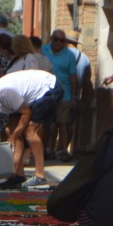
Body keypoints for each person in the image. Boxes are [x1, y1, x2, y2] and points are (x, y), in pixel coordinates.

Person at [0, 69, 63, 188]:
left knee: (30, 131)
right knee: (10, 129)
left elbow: (26, 113)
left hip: (48, 88)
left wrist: (14, 137)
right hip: (28, 98)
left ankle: (40, 175)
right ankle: (18, 175)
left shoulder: (3, 92)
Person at [42, 29, 79, 161]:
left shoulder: (69, 56)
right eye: (56, 39)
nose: (59, 42)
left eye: (62, 40)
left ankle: (63, 150)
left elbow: (73, 77)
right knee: (49, 125)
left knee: (63, 124)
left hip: (65, 94)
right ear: (51, 39)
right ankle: (49, 149)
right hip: (47, 94)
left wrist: (74, 96)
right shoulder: (43, 50)